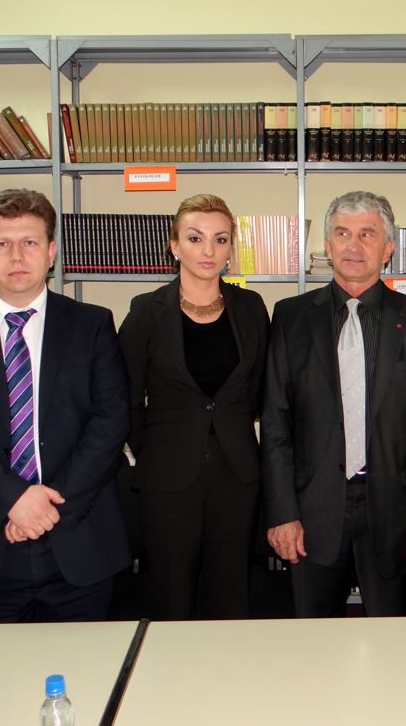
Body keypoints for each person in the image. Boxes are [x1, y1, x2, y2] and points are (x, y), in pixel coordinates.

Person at [0, 189, 131, 622]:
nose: (16, 256)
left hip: (77, 538)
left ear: (51, 252)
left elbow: (110, 423)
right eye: (2, 244)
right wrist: (13, 500)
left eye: (30, 242)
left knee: (86, 662)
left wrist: (45, 509)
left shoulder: (92, 325)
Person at [261, 190, 406, 617]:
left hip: (395, 512)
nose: (353, 245)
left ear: (388, 249)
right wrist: (281, 513)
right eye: (342, 233)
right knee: (313, 640)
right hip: (311, 512)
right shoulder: (290, 318)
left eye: (367, 234)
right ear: (327, 246)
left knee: (395, 640)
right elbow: (275, 425)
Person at [118, 194, 270, 620]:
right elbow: (125, 397)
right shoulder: (147, 311)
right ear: (174, 246)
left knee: (230, 591)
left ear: (230, 248)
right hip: (167, 474)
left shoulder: (250, 308)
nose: (208, 251)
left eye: (220, 239)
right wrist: (153, 448)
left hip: (236, 473)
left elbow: (259, 389)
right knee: (171, 593)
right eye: (195, 238)